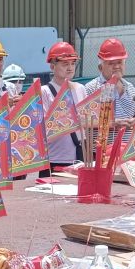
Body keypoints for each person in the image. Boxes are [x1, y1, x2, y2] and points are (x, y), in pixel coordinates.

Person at [84, 38, 135, 145]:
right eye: (111, 63)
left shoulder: (131, 88)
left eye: (120, 62)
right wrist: (112, 123)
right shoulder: (91, 89)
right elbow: (81, 121)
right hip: (98, 156)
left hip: (126, 155)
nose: (117, 66)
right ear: (100, 67)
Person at [39, 42, 85, 175]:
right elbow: (44, 129)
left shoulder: (80, 89)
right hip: (54, 159)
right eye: (65, 64)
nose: (70, 68)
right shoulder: (44, 92)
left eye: (72, 63)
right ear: (52, 66)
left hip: (79, 156)